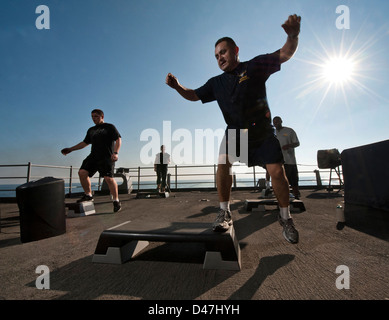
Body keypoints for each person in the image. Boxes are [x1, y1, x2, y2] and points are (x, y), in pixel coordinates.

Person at [166, 15, 301, 243]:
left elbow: (285, 54)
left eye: (224, 52)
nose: (220, 58)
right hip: (236, 133)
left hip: (262, 132)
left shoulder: (255, 66)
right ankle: (224, 212)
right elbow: (193, 95)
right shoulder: (215, 83)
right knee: (222, 163)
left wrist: (293, 35)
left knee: (278, 173)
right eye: (217, 56)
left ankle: (285, 217)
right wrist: (177, 86)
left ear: (235, 50)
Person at [61, 109, 122, 212]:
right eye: (92, 117)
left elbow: (118, 139)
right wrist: (71, 149)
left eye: (96, 116)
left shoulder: (109, 127)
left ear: (102, 116)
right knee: (82, 172)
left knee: (109, 179)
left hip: (106, 157)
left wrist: (115, 153)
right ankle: (88, 195)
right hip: (94, 156)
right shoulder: (91, 130)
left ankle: (116, 201)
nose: (94, 119)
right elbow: (84, 143)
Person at [273, 116, 301, 199]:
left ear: (281, 121)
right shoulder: (273, 133)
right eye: (274, 122)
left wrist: (288, 145)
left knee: (293, 180)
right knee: (280, 181)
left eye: (277, 121)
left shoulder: (289, 131)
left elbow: (297, 143)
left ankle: (296, 196)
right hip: (278, 161)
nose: (276, 123)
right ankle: (282, 198)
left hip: (290, 161)